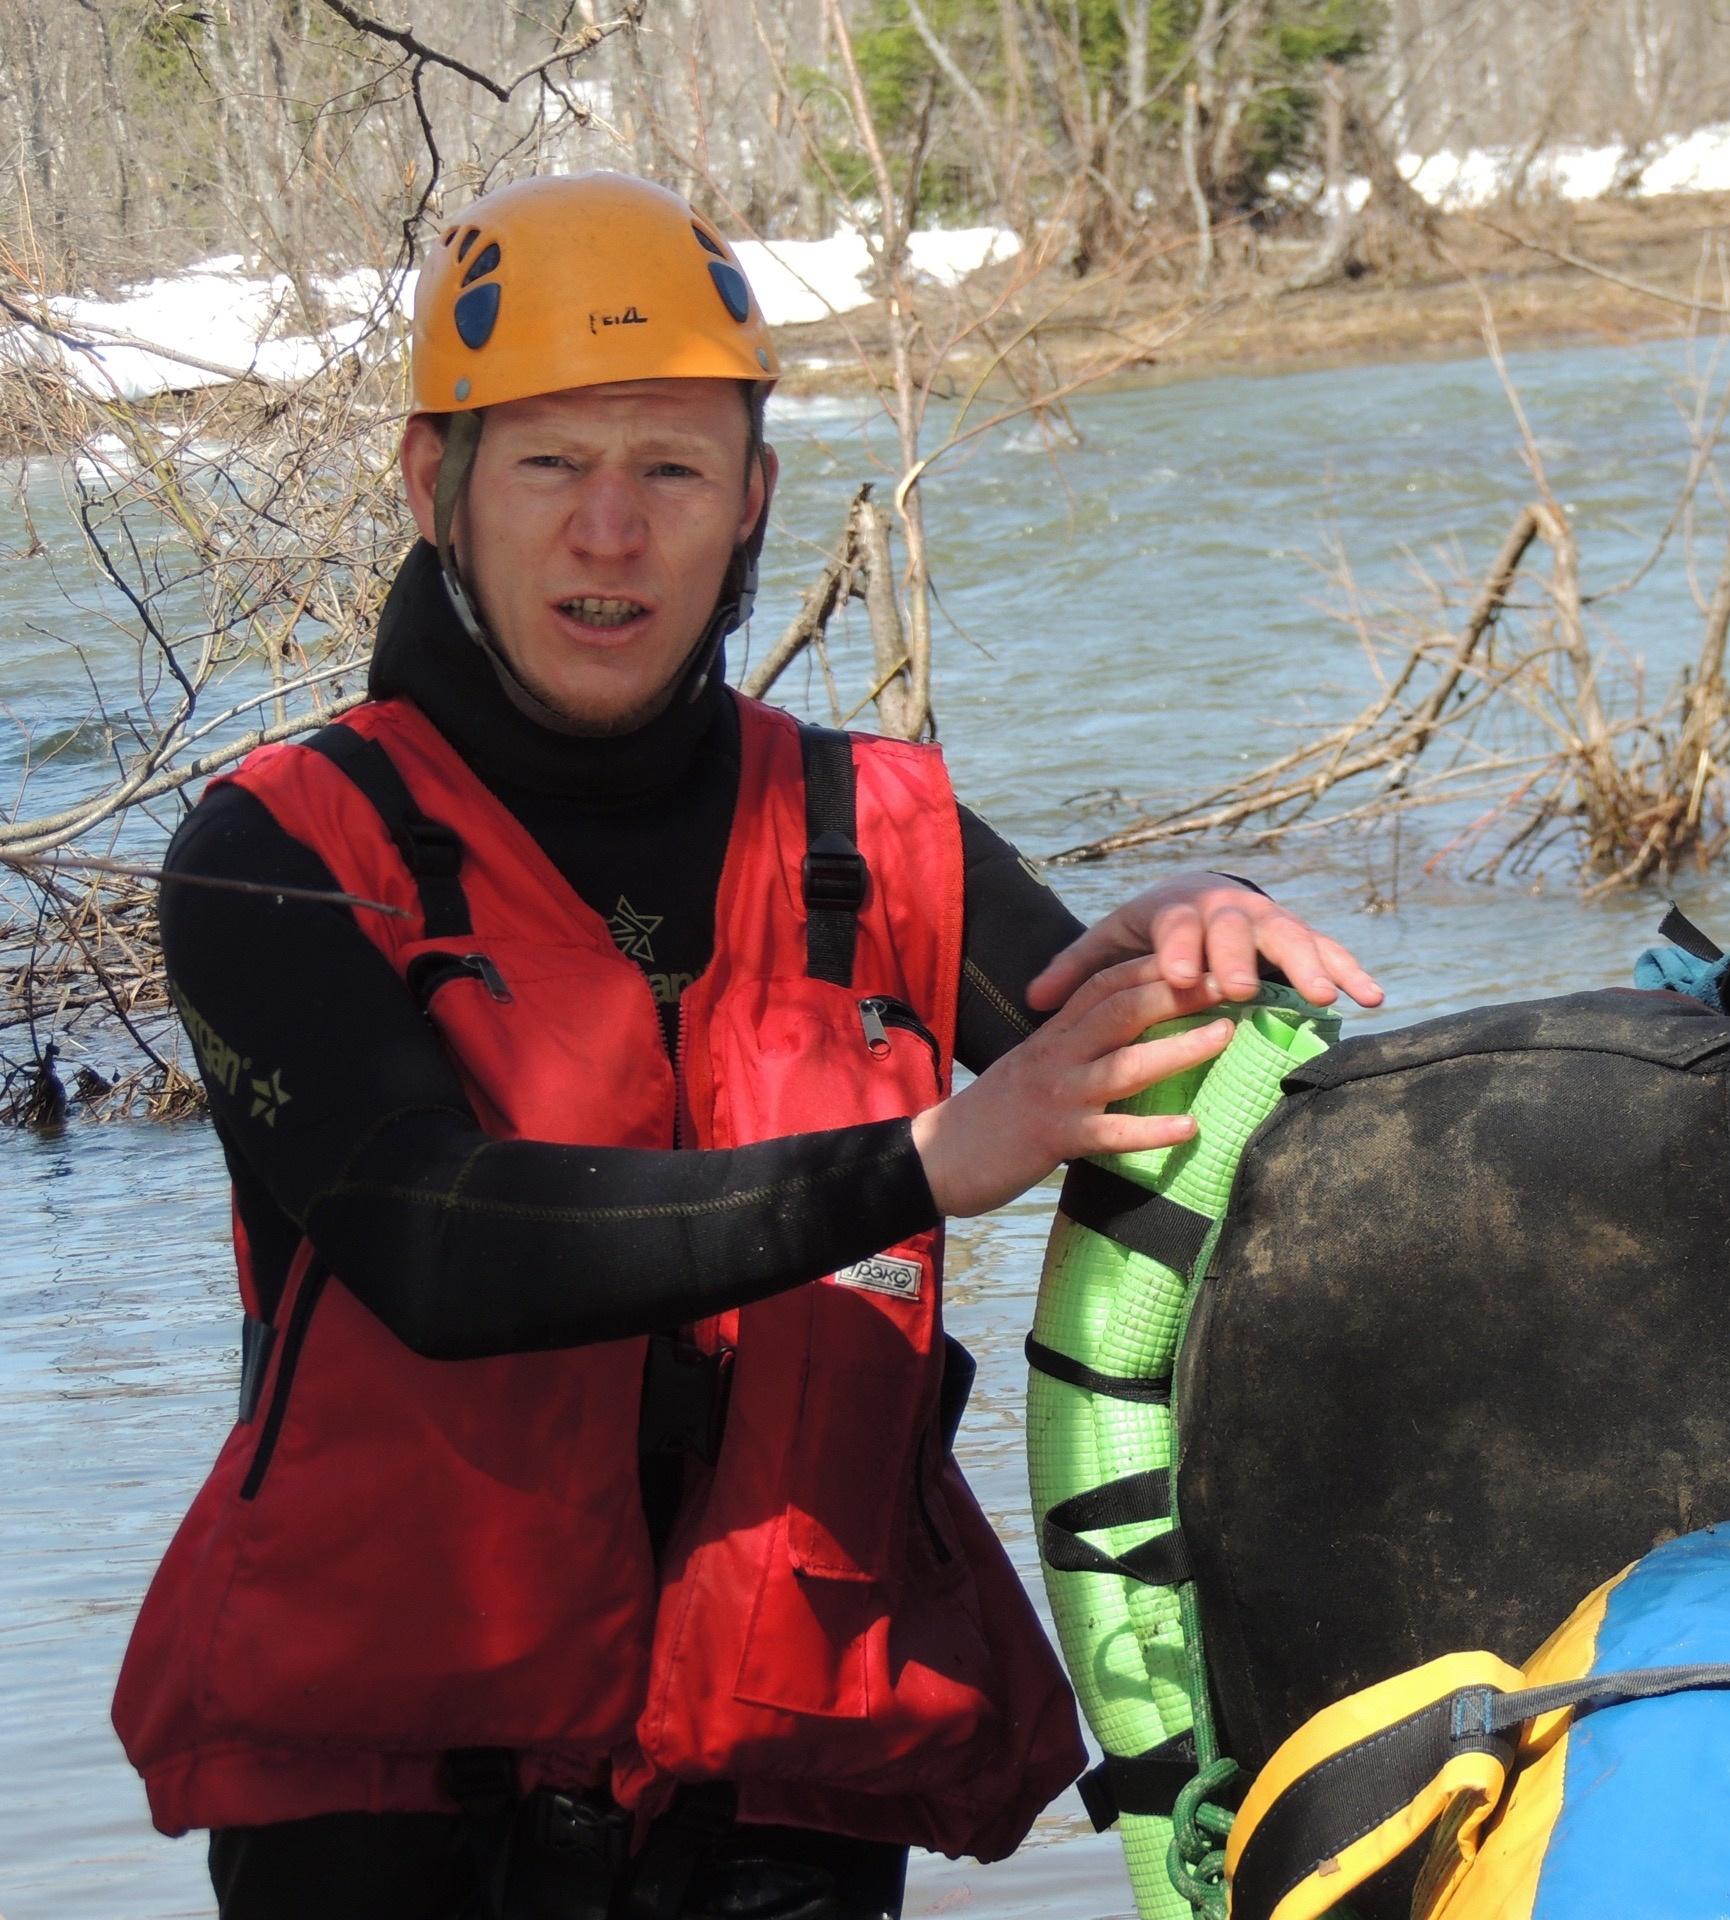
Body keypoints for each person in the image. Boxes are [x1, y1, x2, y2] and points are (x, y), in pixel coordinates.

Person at [110, 172, 1381, 1920]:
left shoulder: (877, 831)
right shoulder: (277, 856)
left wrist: (1210, 935)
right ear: (436, 488)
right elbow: (431, 1236)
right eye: (552, 464)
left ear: (754, 503)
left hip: (779, 1823)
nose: (611, 534)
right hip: (387, 1832)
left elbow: (1139, 1060)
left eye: (674, 471)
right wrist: (925, 1163)